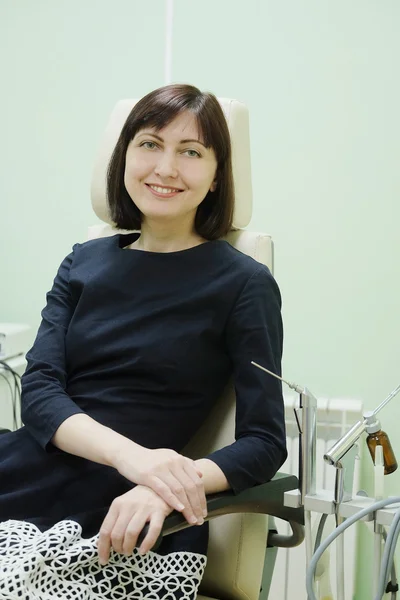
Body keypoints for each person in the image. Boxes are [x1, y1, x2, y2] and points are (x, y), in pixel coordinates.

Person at [0, 83, 287, 600]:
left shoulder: (244, 283)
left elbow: (264, 443)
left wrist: (168, 486)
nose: (166, 168)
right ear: (125, 156)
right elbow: (40, 392)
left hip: (121, 507)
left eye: (191, 152)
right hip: (28, 470)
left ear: (218, 174)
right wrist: (136, 458)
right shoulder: (82, 261)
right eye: (150, 144)